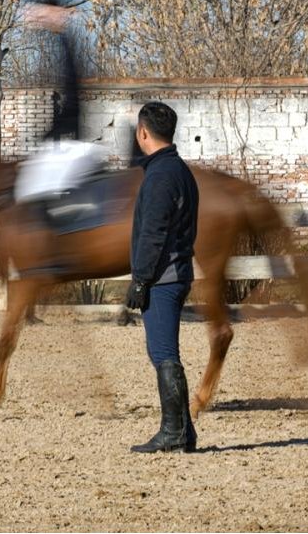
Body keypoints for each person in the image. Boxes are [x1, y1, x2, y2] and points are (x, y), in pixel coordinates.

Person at [125, 101, 199, 454]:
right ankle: (184, 431)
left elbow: (152, 234)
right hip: (175, 272)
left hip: (163, 277)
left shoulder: (160, 177)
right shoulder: (179, 170)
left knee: (164, 353)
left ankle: (174, 432)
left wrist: (140, 279)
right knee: (163, 353)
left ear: (143, 133)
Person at [13, 0, 107, 209]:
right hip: (69, 131)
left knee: (32, 184)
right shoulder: (60, 41)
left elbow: (73, 96)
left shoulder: (64, 42)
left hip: (71, 136)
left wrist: (55, 133)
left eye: (41, 11)